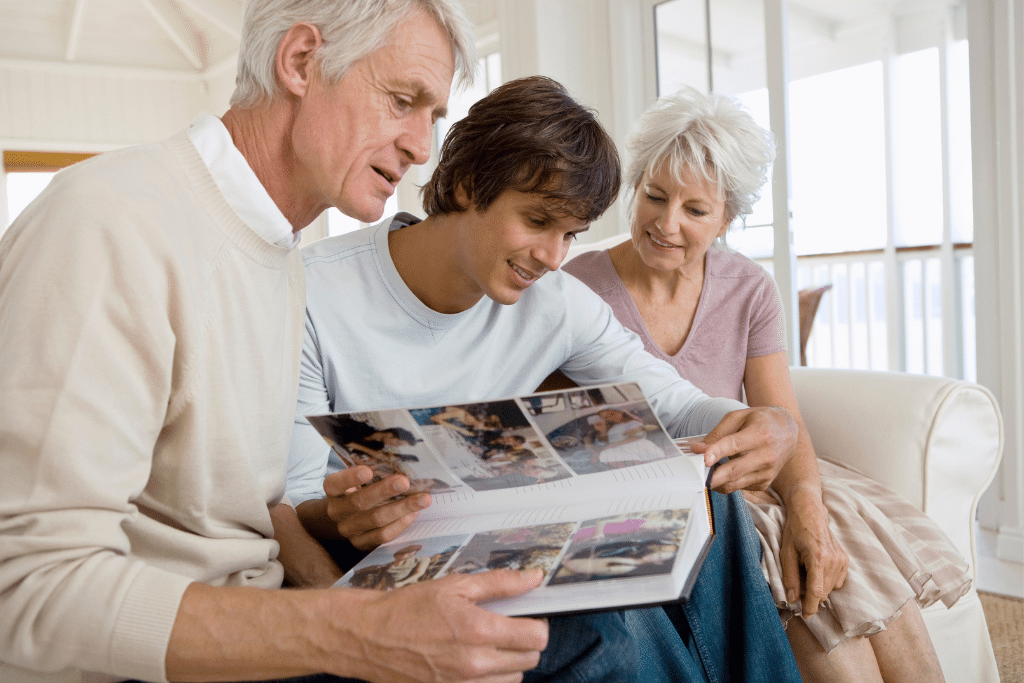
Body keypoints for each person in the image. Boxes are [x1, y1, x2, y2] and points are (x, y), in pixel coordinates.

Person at [0, 1, 591, 682]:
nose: (422, 147)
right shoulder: (109, 222)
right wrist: (361, 632)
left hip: (268, 623)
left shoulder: (277, 257)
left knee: (604, 618)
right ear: (301, 61)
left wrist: (356, 590)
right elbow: (28, 588)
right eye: (403, 100)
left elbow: (244, 513)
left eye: (432, 116)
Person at [287, 75, 803, 683]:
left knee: (714, 492)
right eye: (537, 221)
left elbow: (672, 402)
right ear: (464, 184)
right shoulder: (311, 293)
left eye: (571, 235)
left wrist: (762, 425)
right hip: (392, 555)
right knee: (613, 626)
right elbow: (293, 504)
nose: (554, 257)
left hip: (508, 532)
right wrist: (342, 516)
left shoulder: (555, 301)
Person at [563, 86, 971, 683]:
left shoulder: (748, 286)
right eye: (654, 196)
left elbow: (781, 414)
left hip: (761, 468)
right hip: (679, 487)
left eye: (696, 210)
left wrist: (808, 507)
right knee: (807, 585)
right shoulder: (577, 289)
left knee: (837, 542)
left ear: (728, 217)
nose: (667, 223)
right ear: (636, 185)